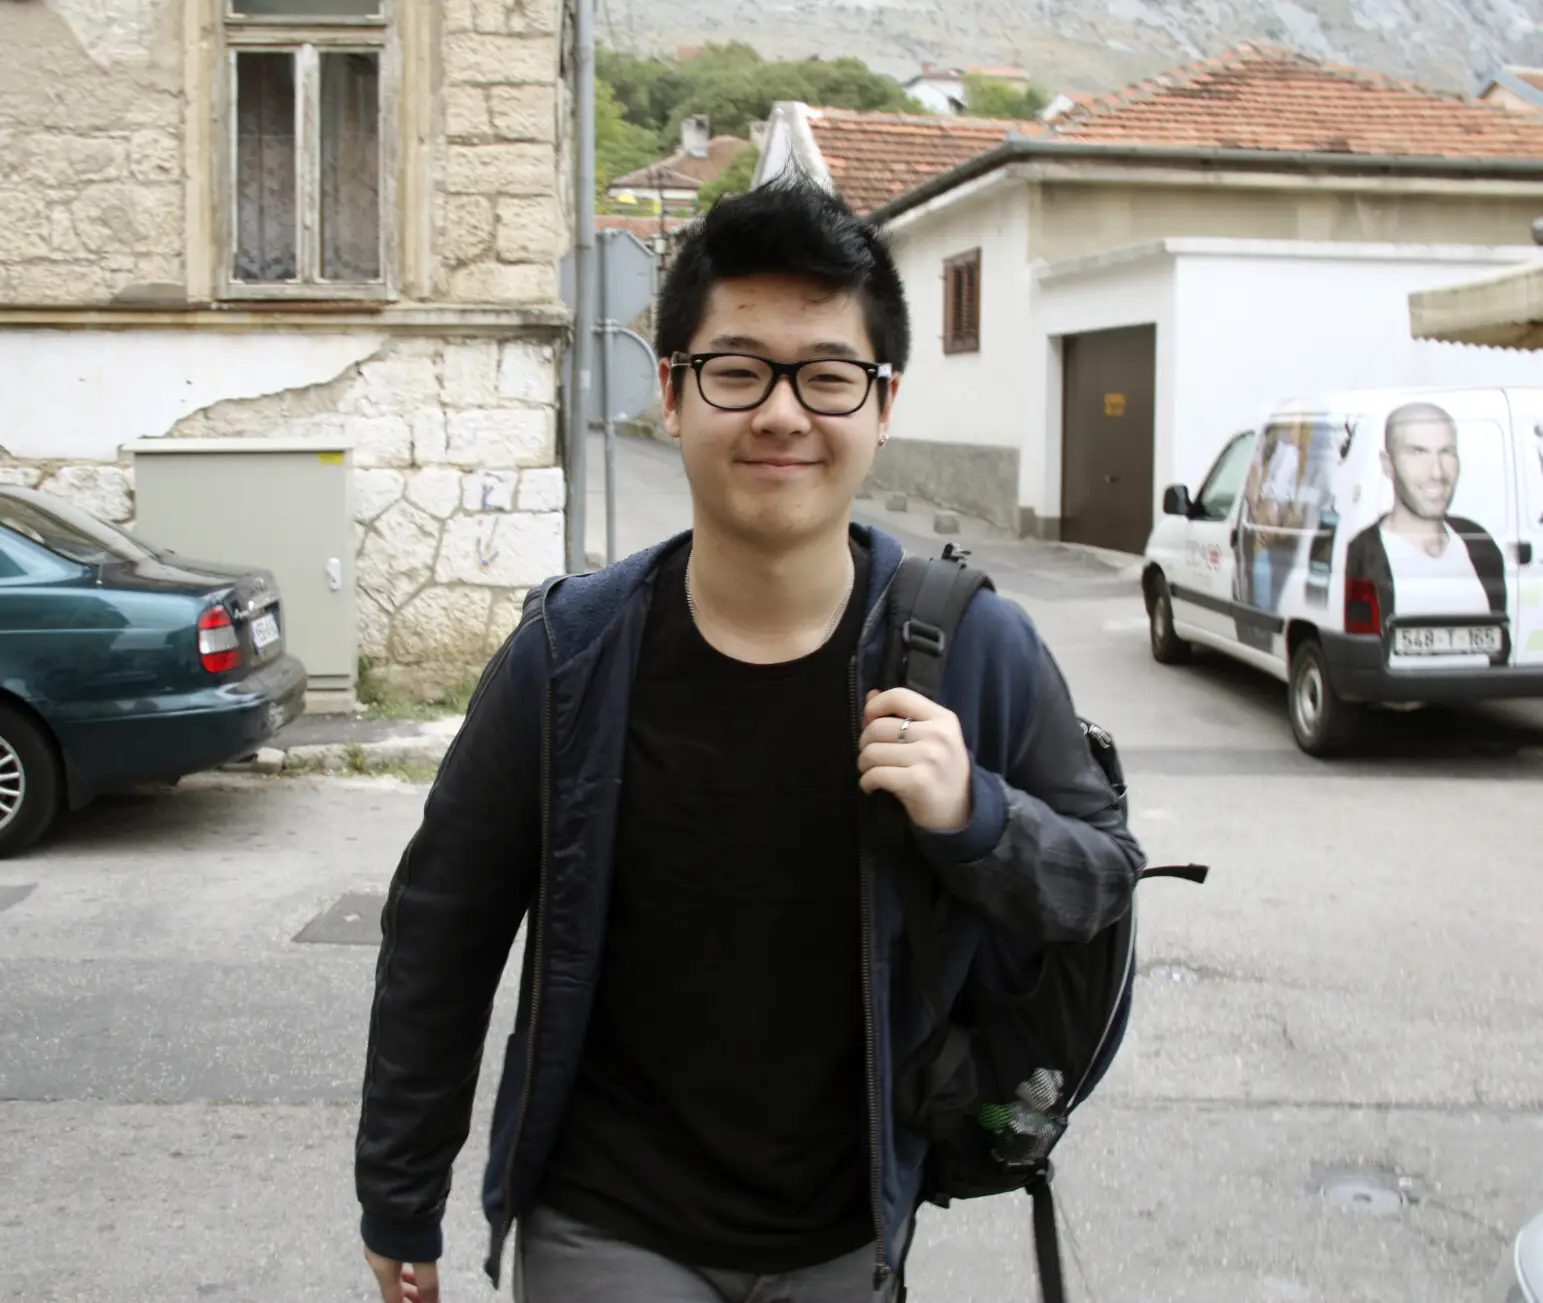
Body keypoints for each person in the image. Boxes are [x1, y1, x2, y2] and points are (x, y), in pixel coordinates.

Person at [354, 178, 1145, 1303]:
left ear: (882, 403)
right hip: (604, 1220)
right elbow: (440, 930)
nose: (782, 413)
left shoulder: (973, 648)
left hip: (847, 1229)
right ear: (672, 394)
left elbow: (1098, 882)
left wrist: (977, 816)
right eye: (738, 370)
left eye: (826, 375)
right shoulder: (566, 657)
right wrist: (400, 1191)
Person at [1346, 401, 1506, 665]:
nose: (1437, 472)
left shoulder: (1480, 545)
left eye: (1446, 452)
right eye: (1418, 452)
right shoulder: (1362, 554)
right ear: (1388, 464)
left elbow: (1501, 640)